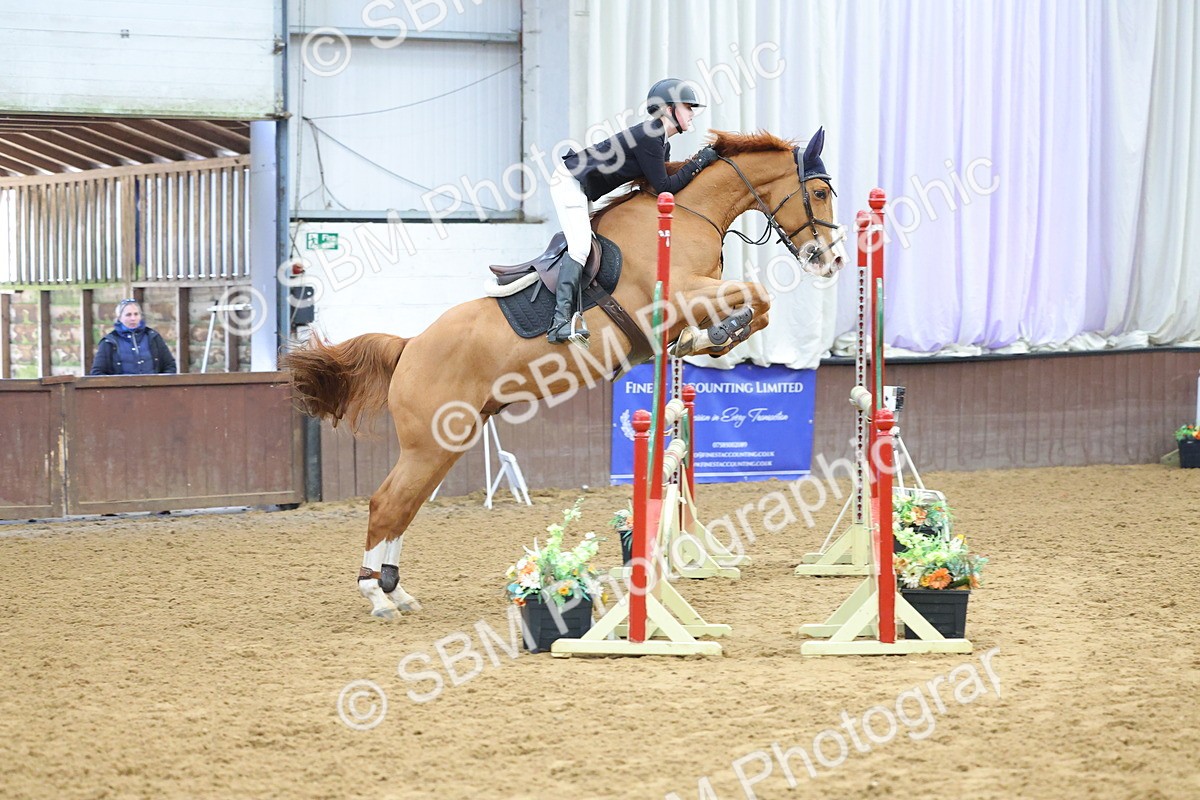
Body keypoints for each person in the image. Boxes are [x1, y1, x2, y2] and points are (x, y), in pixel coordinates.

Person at [549, 78, 722, 347]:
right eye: (687, 107)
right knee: (581, 247)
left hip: (582, 188)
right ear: (668, 110)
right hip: (569, 182)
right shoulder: (650, 136)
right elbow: (664, 188)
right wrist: (698, 162)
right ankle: (559, 322)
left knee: (594, 245)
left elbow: (659, 189)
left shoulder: (661, 142)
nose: (691, 113)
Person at [90, 298, 178, 375]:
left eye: (136, 314)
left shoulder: (153, 337)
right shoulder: (109, 342)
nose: (133, 318)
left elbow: (170, 365)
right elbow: (97, 372)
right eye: (128, 315)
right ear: (119, 318)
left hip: (152, 392)